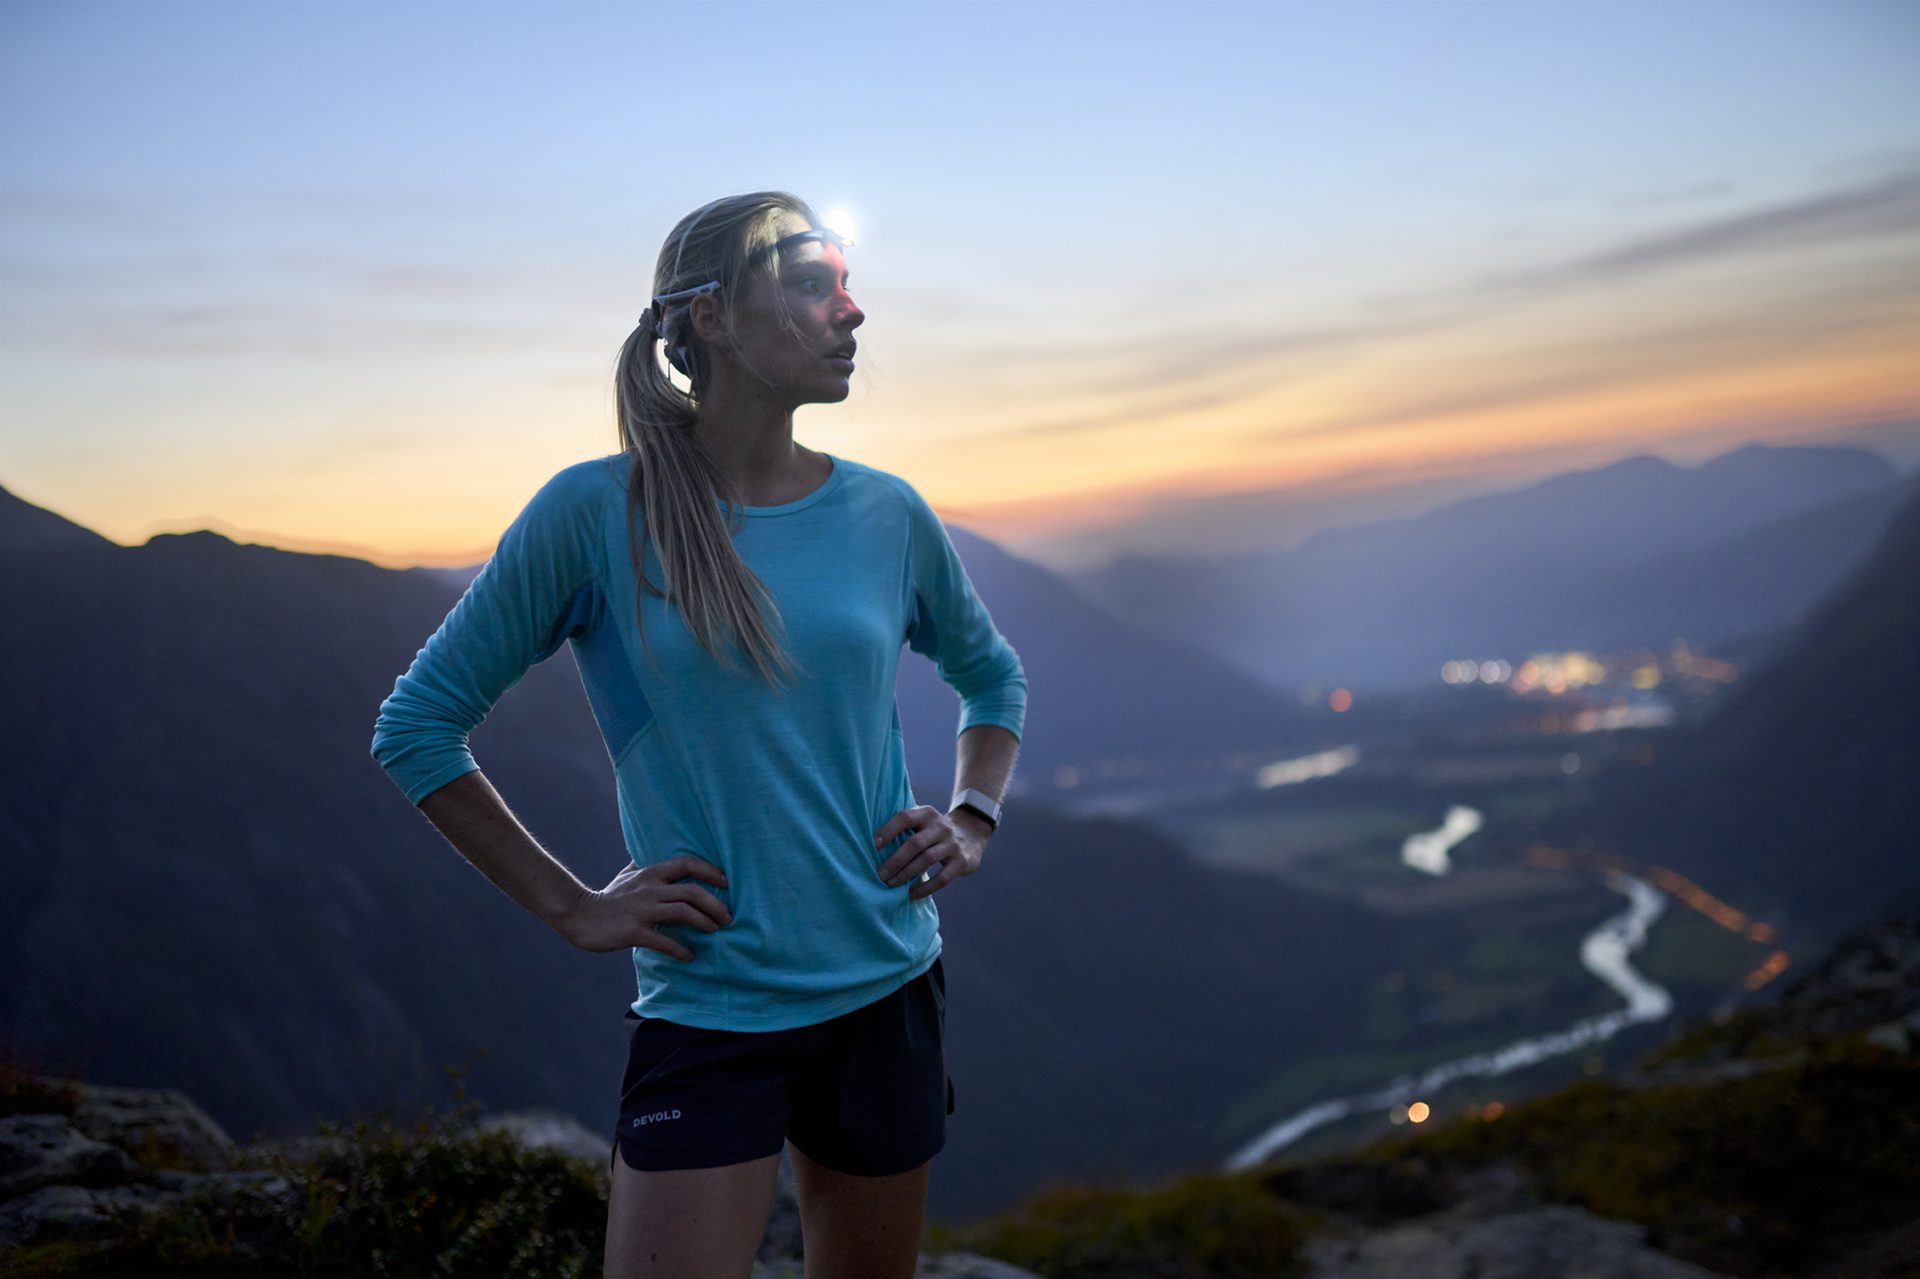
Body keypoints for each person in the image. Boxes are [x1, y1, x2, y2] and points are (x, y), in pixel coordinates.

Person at [368, 191, 1027, 1279]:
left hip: (888, 983)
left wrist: (973, 816)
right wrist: (572, 906)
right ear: (712, 317)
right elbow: (418, 727)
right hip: (713, 1005)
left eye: (847, 285)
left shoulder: (887, 512)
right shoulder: (594, 513)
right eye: (812, 285)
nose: (852, 312)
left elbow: (991, 675)